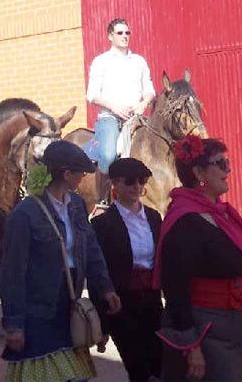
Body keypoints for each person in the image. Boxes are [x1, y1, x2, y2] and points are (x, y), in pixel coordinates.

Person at [0, 140, 121, 382]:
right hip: (37, 311)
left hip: (70, 305)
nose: (84, 178)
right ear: (67, 175)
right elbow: (11, 273)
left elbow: (92, 249)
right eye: (81, 173)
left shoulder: (76, 205)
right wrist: (14, 324)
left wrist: (105, 288)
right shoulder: (24, 215)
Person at [154, 135, 242, 381]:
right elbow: (175, 288)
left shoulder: (220, 214)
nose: (229, 169)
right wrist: (191, 346)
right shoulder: (184, 221)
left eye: (227, 162)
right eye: (220, 164)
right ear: (199, 173)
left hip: (232, 332)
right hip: (207, 335)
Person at [90, 158, 162, 382]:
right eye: (130, 181)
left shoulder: (153, 217)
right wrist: (102, 321)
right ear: (114, 183)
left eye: (142, 180)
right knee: (137, 367)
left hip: (152, 302)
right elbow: (97, 274)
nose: (137, 187)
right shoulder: (102, 225)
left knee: (160, 364)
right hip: (122, 306)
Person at [86, 17, 155, 200]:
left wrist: (143, 103)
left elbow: (149, 90)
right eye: (120, 33)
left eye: (127, 32)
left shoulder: (139, 61)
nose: (125, 36)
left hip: (136, 118)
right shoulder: (100, 61)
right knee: (108, 156)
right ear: (110, 36)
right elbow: (92, 95)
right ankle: (102, 201)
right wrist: (114, 107)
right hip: (110, 118)